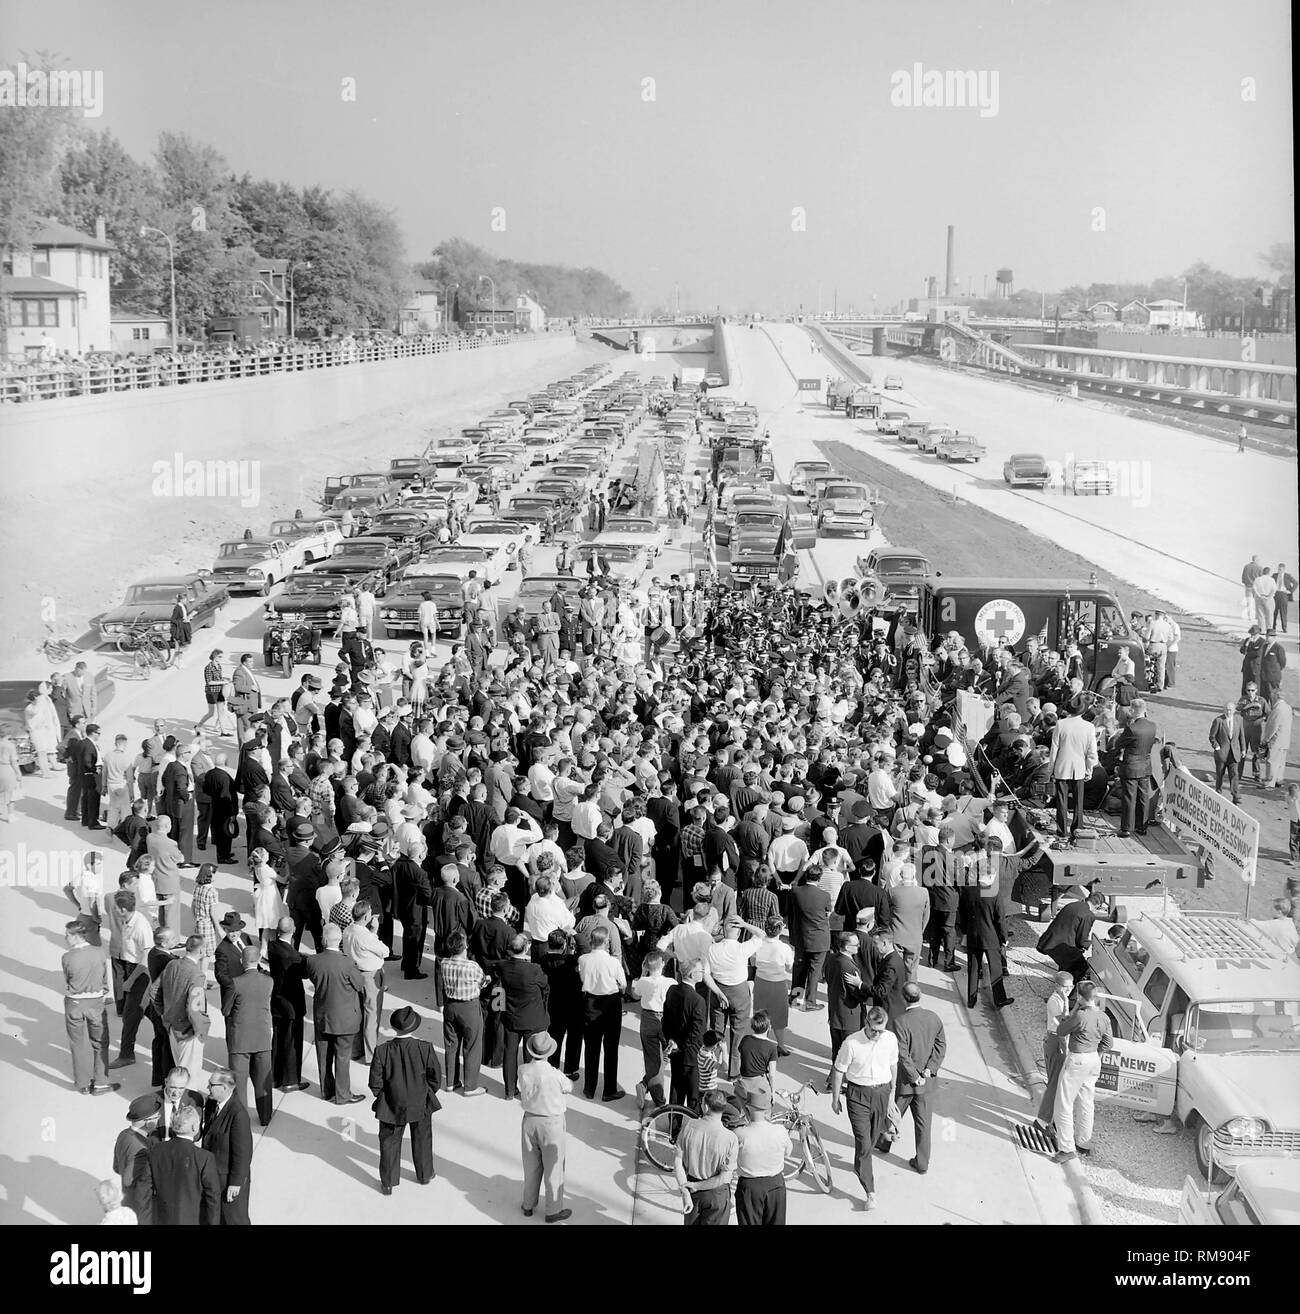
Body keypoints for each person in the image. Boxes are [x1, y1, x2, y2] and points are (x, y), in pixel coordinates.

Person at [368, 1006, 443, 1195]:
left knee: (389, 1142)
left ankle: (388, 1182)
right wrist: (426, 1092)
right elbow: (435, 1078)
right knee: (423, 1138)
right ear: (414, 1027)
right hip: (420, 1101)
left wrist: (385, 1096)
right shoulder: (424, 1048)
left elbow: (375, 1083)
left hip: (391, 1104)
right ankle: (425, 1174)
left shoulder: (382, 1050)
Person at [830, 1006, 899, 1211]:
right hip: (857, 1095)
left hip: (882, 1093)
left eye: (881, 1030)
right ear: (866, 1024)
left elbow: (893, 1066)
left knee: (870, 1138)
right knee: (863, 1140)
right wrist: (835, 1098)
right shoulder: (851, 1043)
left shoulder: (890, 1039)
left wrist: (892, 1095)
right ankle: (870, 1191)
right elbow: (838, 1071)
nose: (877, 1035)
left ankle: (860, 1164)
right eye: (873, 1030)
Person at [304, 924, 368, 1103]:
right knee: (342, 1056)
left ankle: (327, 1091)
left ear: (323, 940)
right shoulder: (347, 962)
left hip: (323, 1017)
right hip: (345, 1019)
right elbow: (359, 984)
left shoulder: (313, 961)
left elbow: (313, 978)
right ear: (339, 940)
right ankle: (342, 1094)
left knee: (323, 1056)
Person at [1052, 979, 1114, 1163]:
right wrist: (1097, 1054)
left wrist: (1072, 1011)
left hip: (1077, 1058)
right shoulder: (1104, 1017)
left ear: (1079, 996)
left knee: (1064, 1103)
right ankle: (1083, 1144)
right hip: (1094, 1058)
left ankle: (1066, 1148)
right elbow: (1108, 1043)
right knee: (1086, 1102)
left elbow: (1061, 1030)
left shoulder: (1079, 1016)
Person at [888, 982, 946, 1174]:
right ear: (920, 996)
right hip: (927, 1083)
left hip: (906, 1082)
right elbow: (940, 1046)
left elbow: (903, 1054)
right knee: (923, 1125)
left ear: (904, 998)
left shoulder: (900, 1021)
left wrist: (914, 1076)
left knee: (893, 1113)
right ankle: (922, 1163)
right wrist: (930, 1069)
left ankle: (883, 1142)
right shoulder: (934, 1018)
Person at [518, 1031, 573, 1223]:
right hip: (552, 1123)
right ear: (548, 1053)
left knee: (531, 1166)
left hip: (529, 1121)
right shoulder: (555, 1075)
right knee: (553, 1169)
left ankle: (527, 1204)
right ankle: (552, 1210)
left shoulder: (523, 1070)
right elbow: (569, 1087)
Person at [61, 920, 121, 1096]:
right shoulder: (99, 953)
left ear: (76, 936)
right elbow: (104, 978)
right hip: (95, 1002)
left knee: (76, 1044)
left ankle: (82, 1083)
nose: (66, 938)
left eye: (67, 935)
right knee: (100, 1043)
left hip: (74, 1003)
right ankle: (101, 1082)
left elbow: (68, 979)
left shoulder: (67, 957)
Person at [138, 1102, 221, 1225]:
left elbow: (143, 1190)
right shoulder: (204, 1158)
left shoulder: (155, 1151)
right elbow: (213, 1197)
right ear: (194, 1127)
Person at [223, 944, 275, 1126]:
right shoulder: (269, 981)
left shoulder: (235, 983)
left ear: (241, 961)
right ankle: (265, 1116)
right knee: (263, 1082)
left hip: (240, 1039)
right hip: (262, 1037)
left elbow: (226, 1009)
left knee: (239, 1084)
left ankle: (241, 1120)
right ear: (259, 960)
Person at [672, 1090, 739, 1225]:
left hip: (693, 1193)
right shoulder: (730, 1138)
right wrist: (696, 1186)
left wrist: (686, 1191)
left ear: (706, 1107)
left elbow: (677, 1162)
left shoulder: (689, 1126)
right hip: (717, 1195)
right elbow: (723, 1177)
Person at [578, 925, 627, 1101]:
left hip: (590, 1001)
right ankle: (609, 1090)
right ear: (606, 942)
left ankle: (589, 1088)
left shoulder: (583, 959)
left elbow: (583, 978)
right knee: (611, 1047)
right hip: (610, 1003)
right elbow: (622, 984)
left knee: (591, 1047)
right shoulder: (613, 962)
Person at [201, 1066, 254, 1225]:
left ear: (224, 1088)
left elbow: (243, 1154)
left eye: (211, 1085)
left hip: (228, 1181)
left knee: (234, 1219)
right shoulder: (212, 1104)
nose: (207, 1087)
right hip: (212, 1177)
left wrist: (235, 1183)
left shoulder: (238, 1114)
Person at [733, 1086, 792, 1225]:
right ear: (767, 1108)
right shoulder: (780, 1131)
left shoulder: (740, 1133)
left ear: (747, 1108)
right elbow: (788, 1153)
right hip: (776, 1185)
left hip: (749, 1187)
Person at [438, 928, 487, 1095]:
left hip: (450, 1006)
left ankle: (451, 1082)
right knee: (472, 1046)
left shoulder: (443, 963)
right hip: (469, 1007)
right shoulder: (472, 966)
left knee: (451, 1045)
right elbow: (482, 982)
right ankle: (470, 1086)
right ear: (464, 946)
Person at [1048, 695, 1098, 841]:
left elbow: (1054, 750)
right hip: (1079, 767)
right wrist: (1090, 769)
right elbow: (1092, 752)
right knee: (1078, 801)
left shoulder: (1060, 724)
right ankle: (1077, 828)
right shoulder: (1089, 727)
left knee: (1062, 800)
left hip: (1062, 766)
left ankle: (1062, 830)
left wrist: (1050, 769)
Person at [268, 917, 309, 1092]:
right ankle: (290, 1080)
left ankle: (275, 1077)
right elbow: (304, 972)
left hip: (277, 999)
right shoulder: (291, 956)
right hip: (291, 1003)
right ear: (293, 930)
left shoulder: (273, 946)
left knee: (278, 1039)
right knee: (292, 1042)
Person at [1033, 971, 1075, 1133]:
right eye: (1065, 987)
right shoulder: (1055, 1001)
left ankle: (1053, 1117)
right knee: (1055, 1083)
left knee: (1057, 1082)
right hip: (1056, 1040)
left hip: (1058, 1040)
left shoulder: (1062, 998)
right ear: (1057, 985)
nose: (1069, 989)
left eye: (1071, 986)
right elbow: (1064, 1021)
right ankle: (1043, 1119)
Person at [1114, 698, 1158, 837]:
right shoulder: (1152, 726)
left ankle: (1126, 828)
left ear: (1133, 710)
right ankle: (1142, 827)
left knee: (1129, 798)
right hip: (1145, 766)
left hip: (1131, 767)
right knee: (1143, 797)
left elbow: (1118, 744)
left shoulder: (1132, 728)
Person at [1208, 700, 1247, 804]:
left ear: (1234, 710)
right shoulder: (1218, 721)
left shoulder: (1239, 720)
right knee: (1220, 774)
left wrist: (1243, 749)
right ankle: (1218, 793)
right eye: (1227, 710)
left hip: (1234, 753)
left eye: (1230, 710)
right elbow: (1212, 736)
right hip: (1222, 754)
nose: (1228, 712)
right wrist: (1216, 746)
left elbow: (1241, 736)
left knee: (1234, 774)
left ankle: (1236, 795)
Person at [1262, 689, 1293, 788]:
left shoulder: (1277, 710)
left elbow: (1272, 727)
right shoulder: (1288, 707)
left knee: (1272, 761)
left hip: (1276, 740)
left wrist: (1266, 739)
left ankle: (1270, 782)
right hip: (1285, 740)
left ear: (1276, 696)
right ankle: (1279, 779)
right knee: (1280, 762)